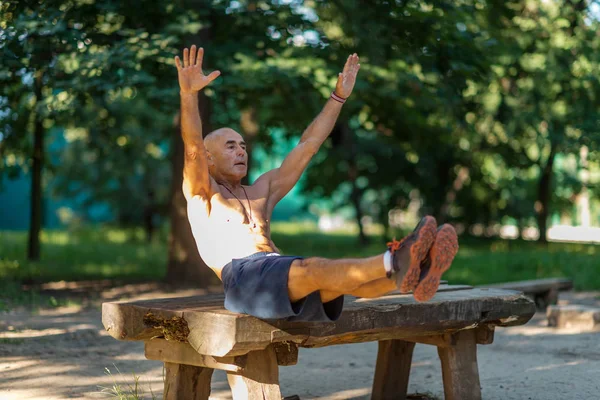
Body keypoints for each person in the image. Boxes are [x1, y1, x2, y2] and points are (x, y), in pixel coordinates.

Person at [174, 45, 459, 322]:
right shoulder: (203, 195)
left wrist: (338, 97)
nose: (241, 151)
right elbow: (192, 147)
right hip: (243, 278)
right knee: (313, 268)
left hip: (277, 270)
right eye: (231, 146)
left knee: (341, 284)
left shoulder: (261, 191)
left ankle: (420, 270)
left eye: (243, 146)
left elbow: (308, 145)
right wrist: (188, 95)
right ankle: (396, 259)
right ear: (209, 158)